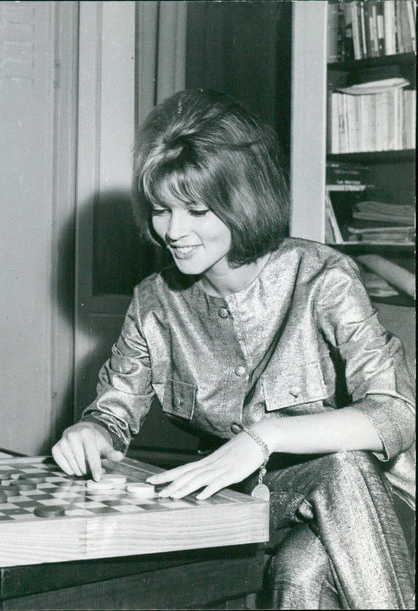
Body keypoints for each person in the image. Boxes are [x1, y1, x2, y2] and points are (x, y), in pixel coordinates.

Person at [52, 89, 415, 609]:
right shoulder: (153, 302)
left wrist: (264, 437)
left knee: (310, 549)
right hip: (255, 502)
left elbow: (397, 416)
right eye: (161, 210)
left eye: (197, 210)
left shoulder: (323, 277)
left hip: (383, 503)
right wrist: (89, 430)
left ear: (242, 199)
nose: (174, 232)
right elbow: (113, 414)